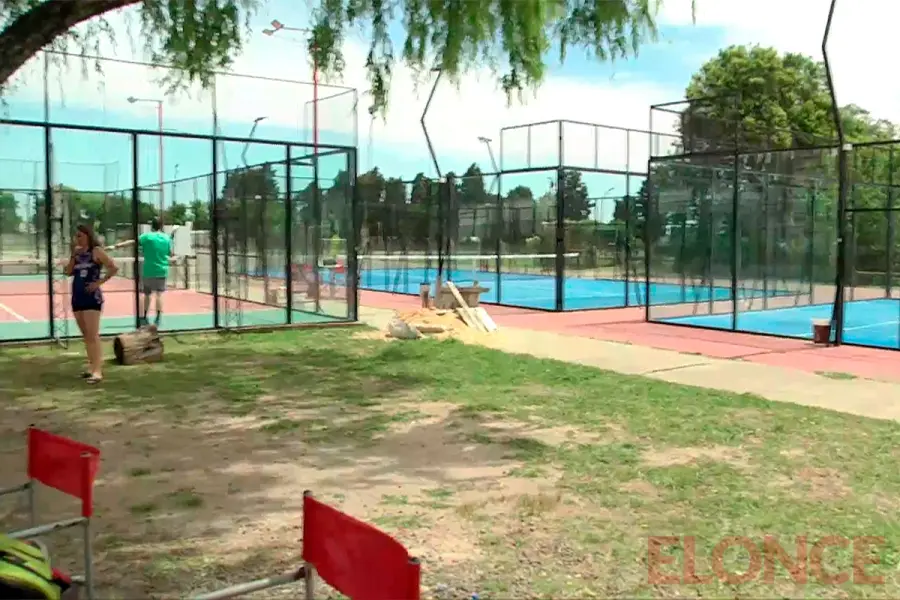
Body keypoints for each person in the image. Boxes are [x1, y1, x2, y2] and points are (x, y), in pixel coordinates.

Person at [66, 224, 118, 384]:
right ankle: (91, 367)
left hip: (91, 298)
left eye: (80, 236)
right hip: (77, 296)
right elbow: (68, 272)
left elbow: (113, 268)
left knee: (92, 335)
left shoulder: (96, 251)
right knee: (85, 335)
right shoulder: (77, 254)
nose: (77, 239)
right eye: (76, 236)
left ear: (88, 236)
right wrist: (73, 255)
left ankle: (97, 371)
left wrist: (98, 283)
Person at [108, 218, 173, 327]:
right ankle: (158, 319)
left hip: (148, 271)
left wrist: (116, 246)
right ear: (161, 226)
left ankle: (145, 317)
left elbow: (132, 242)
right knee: (159, 294)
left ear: (152, 225)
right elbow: (170, 253)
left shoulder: (147, 236)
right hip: (162, 270)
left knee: (147, 294)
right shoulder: (166, 238)